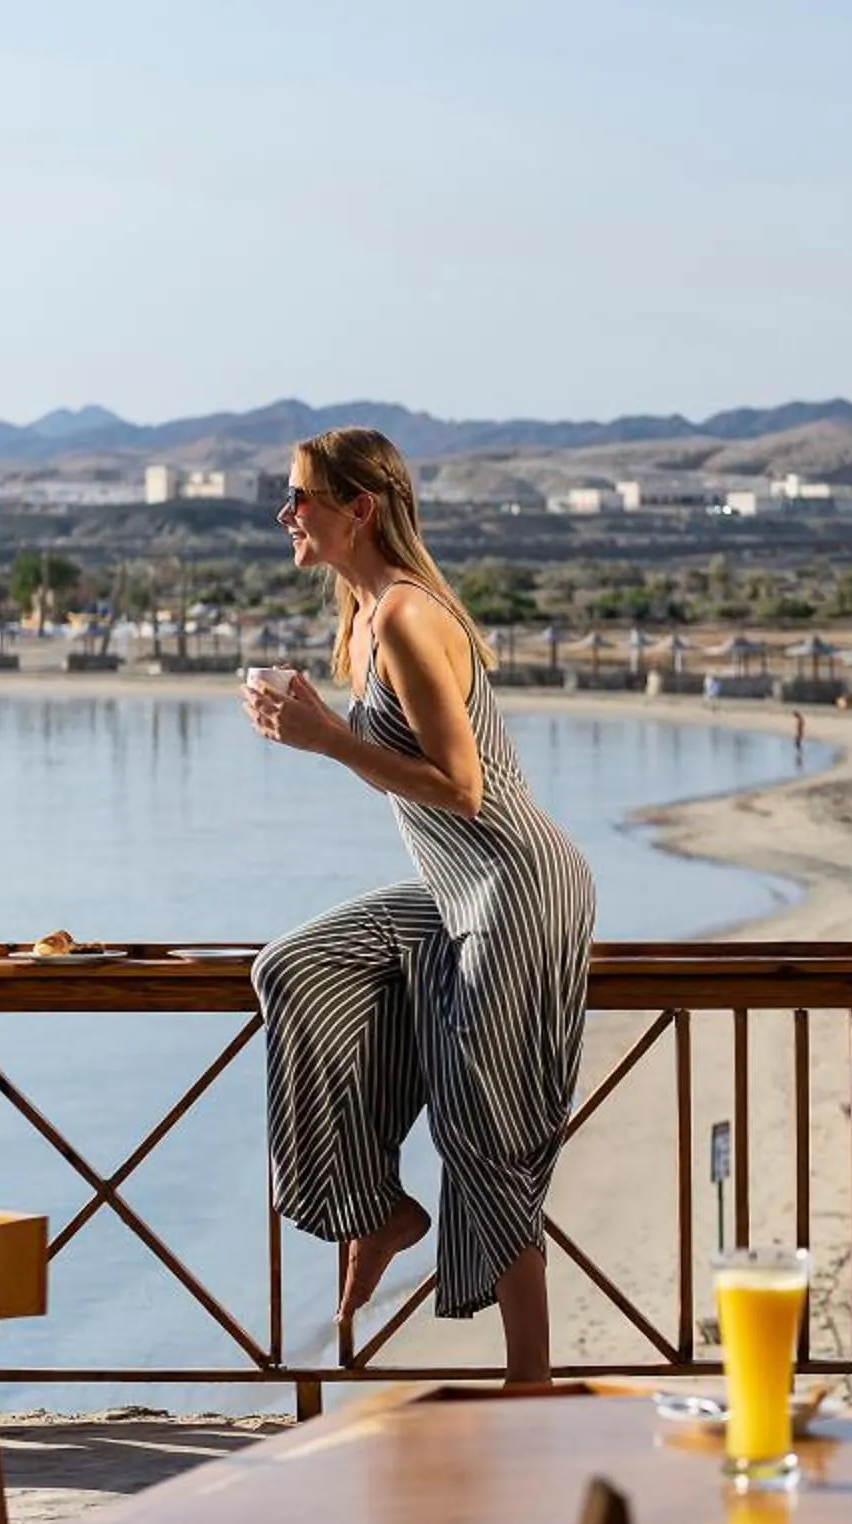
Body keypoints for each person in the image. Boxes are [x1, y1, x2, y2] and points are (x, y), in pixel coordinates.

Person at [242, 429, 595, 1385]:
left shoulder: (403, 616)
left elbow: (463, 787)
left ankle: (532, 1382)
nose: (286, 514)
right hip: (453, 889)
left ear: (360, 508)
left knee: (485, 1127)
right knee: (296, 968)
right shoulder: (357, 619)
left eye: (302, 496)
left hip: (517, 883)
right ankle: (377, 1207)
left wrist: (324, 739)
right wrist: (313, 730)